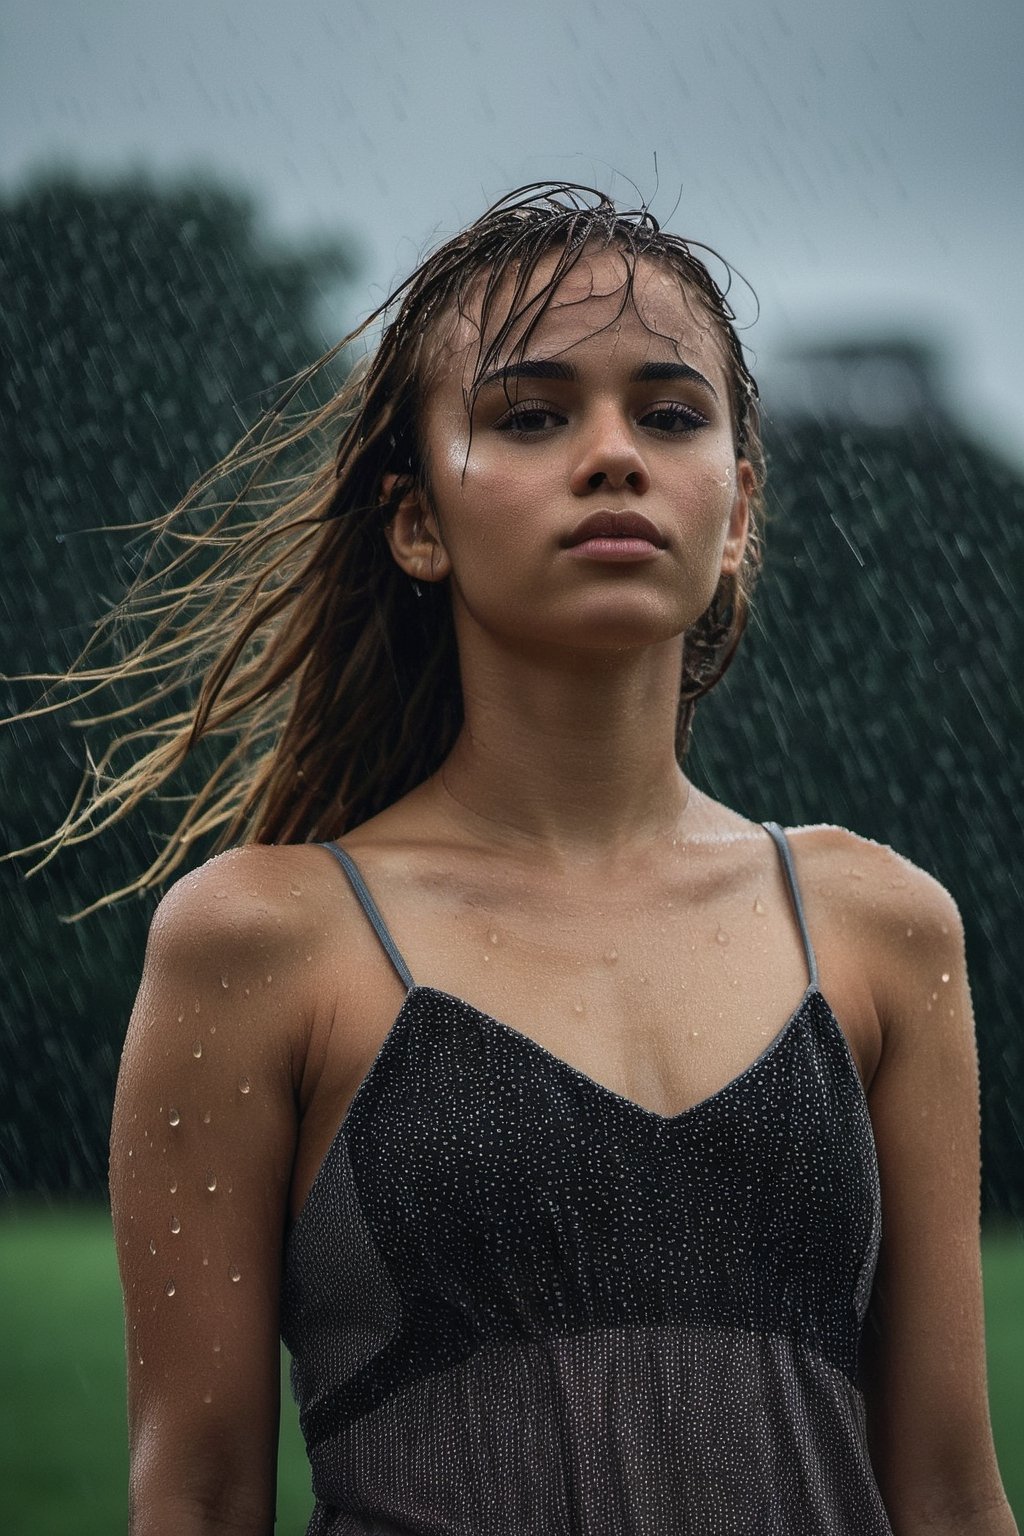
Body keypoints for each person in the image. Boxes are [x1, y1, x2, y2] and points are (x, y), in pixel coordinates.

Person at [72, 184, 1011, 1533]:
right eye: (531, 414)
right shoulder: (260, 941)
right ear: (415, 521)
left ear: (738, 508)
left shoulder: (881, 926)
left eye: (671, 413)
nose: (614, 454)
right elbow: (199, 1496)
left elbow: (950, 1492)